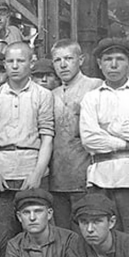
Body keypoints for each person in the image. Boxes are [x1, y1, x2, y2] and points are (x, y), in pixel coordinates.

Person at [80, 37, 129, 246]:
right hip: (101, 178)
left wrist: (108, 127)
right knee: (104, 242)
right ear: (99, 63)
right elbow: (89, 139)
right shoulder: (91, 98)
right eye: (107, 59)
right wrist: (127, 142)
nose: (113, 65)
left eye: (120, 59)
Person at [0, 41, 54, 237]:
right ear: (4, 64)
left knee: (36, 233)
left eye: (20, 61)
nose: (14, 66)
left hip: (31, 173)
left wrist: (37, 173)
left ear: (31, 63)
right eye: (10, 61)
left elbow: (47, 139)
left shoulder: (43, 95)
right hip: (1, 174)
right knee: (1, 236)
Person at [49, 39, 102, 229]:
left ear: (81, 60)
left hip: (86, 177)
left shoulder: (95, 86)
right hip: (57, 179)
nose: (63, 65)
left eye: (68, 58)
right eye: (58, 60)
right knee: (63, 232)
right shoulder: (51, 94)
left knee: (87, 230)